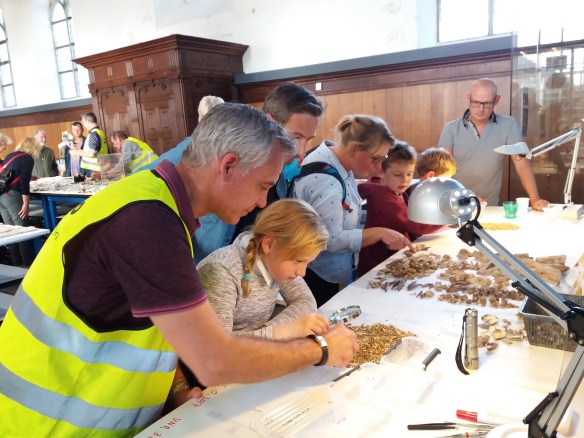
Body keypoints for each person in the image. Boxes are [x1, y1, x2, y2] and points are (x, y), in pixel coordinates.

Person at [0, 103, 358, 437]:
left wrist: (175, 389)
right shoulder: (148, 222)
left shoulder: (156, 204)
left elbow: (153, 325)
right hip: (46, 424)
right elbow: (214, 361)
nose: (263, 201)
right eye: (263, 186)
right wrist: (320, 349)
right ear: (228, 166)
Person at [176, 198, 330, 392]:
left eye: (307, 262)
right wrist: (282, 332)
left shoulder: (277, 262)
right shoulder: (221, 271)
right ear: (269, 244)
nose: (302, 272)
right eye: (298, 261)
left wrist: (269, 333)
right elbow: (217, 351)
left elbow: (306, 301)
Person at [291, 114, 415, 306]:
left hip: (327, 270)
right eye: (375, 158)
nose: (379, 167)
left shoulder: (337, 161)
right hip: (318, 275)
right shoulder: (327, 181)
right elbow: (330, 241)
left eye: (382, 159)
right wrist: (380, 233)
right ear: (354, 149)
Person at [438, 78, 548, 209]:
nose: (481, 109)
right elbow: (442, 173)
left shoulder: (508, 124)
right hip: (456, 205)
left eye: (487, 104)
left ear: (497, 100)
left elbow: (522, 164)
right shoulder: (450, 128)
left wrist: (534, 199)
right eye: (476, 103)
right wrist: (464, 196)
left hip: (488, 207)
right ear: (468, 99)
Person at [357, 144, 444, 277]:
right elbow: (417, 224)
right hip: (378, 265)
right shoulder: (382, 197)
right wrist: (448, 216)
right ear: (382, 172)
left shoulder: (394, 188)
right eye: (398, 174)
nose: (405, 180)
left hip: (392, 258)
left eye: (409, 174)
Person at [0, 137, 41, 267]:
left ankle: (17, 264)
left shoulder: (10, 155)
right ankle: (28, 265)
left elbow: (10, 174)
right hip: (12, 196)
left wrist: (29, 177)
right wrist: (26, 203)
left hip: (1, 196)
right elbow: (24, 183)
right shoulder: (28, 159)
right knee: (23, 230)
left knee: (12, 232)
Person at [70, 111, 108, 177]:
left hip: (94, 171)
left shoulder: (93, 134)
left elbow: (91, 154)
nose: (84, 125)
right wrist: (77, 149)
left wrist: (76, 152)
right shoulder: (100, 132)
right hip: (99, 169)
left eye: (84, 123)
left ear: (87, 122)